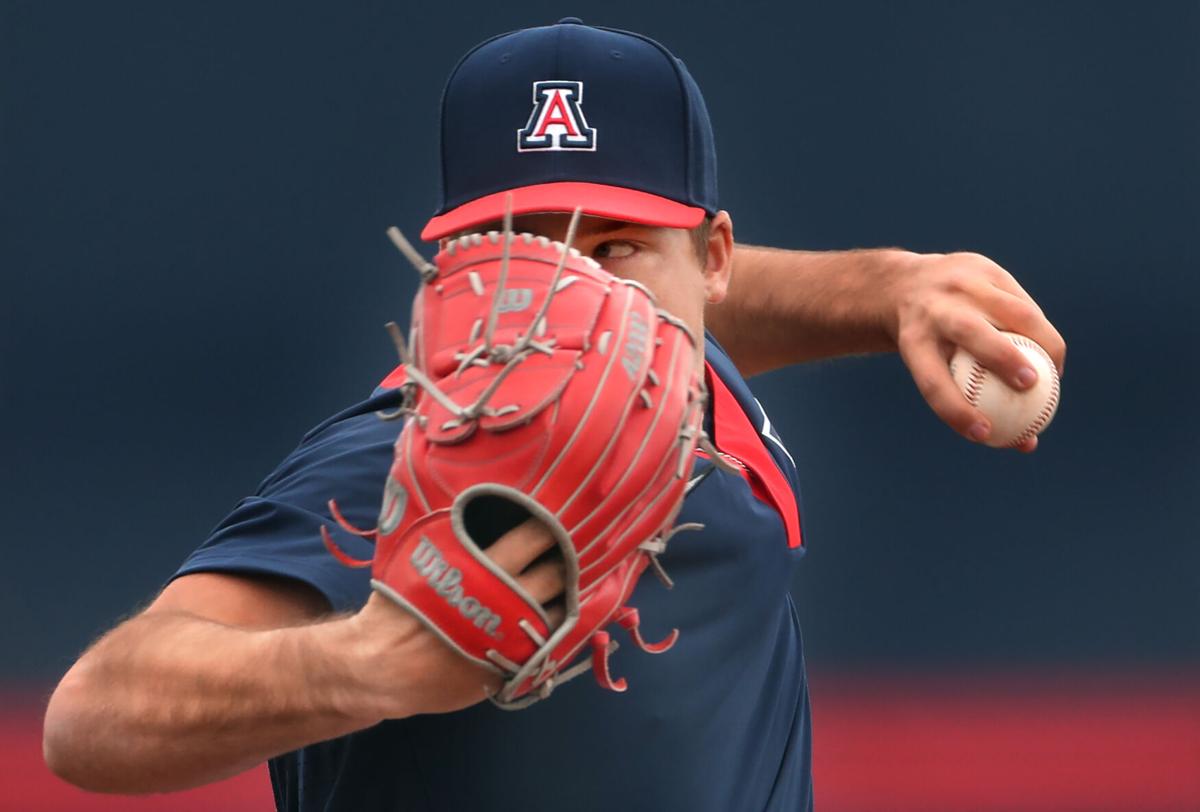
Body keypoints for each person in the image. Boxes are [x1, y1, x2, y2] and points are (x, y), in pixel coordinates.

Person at [43, 19, 1065, 812]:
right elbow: (93, 712)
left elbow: (650, 331)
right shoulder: (392, 462)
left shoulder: (703, 379)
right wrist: (362, 662)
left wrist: (890, 290)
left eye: (615, 246)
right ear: (450, 265)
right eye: (515, 246)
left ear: (712, 257)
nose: (567, 298)